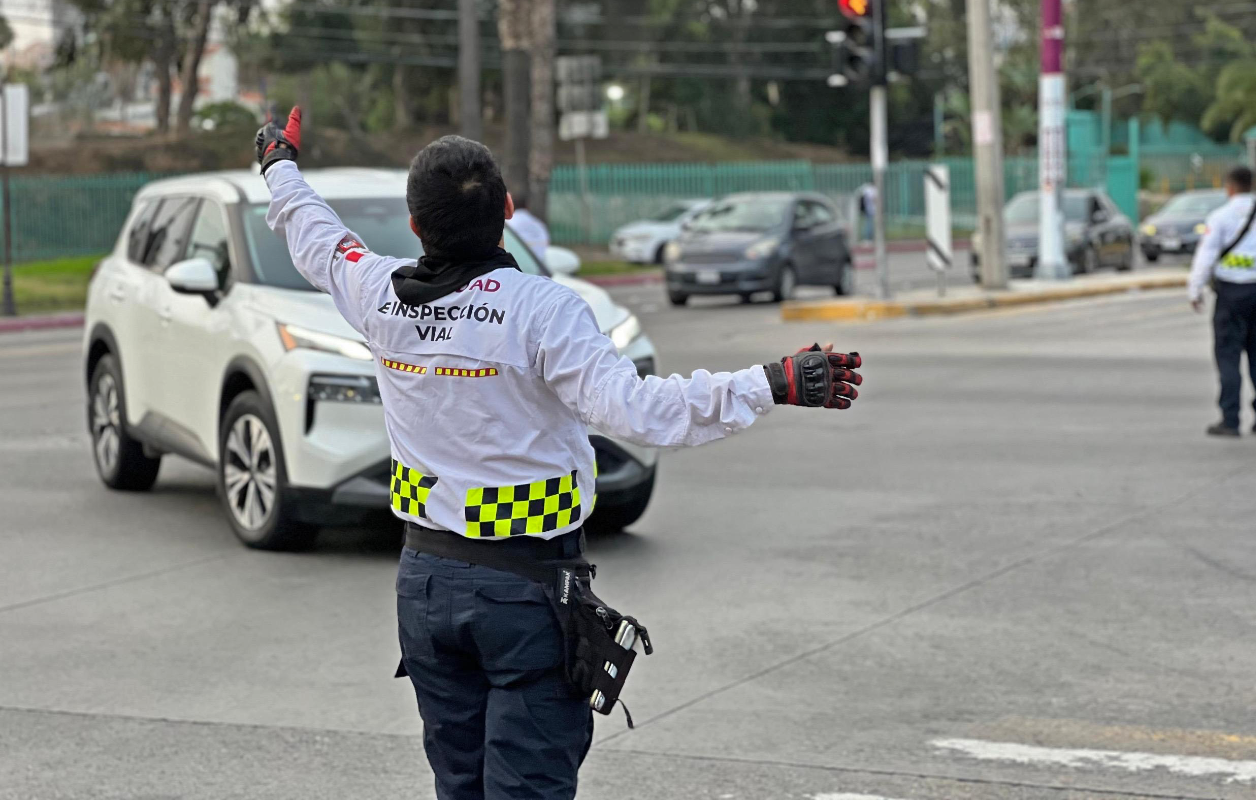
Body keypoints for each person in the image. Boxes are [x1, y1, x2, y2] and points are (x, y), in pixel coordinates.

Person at [253, 109, 863, 800]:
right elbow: (637, 411)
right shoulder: (542, 309)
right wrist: (770, 383)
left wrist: (279, 161)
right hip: (525, 594)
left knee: (461, 786)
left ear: (416, 224)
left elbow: (315, 236)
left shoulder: (379, 293)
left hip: (424, 588)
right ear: (508, 211)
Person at [1188, 165, 1256, 437]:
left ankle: (1230, 419)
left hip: (1231, 294)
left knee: (1228, 356)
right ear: (1253, 184)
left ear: (1230, 187)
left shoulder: (1221, 216)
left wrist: (1195, 290)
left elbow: (1206, 256)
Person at [508, 194, 549, 262]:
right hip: (538, 269)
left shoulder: (507, 225)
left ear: (509, 206)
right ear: (527, 206)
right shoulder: (539, 225)